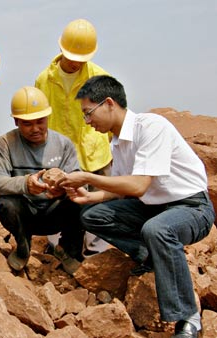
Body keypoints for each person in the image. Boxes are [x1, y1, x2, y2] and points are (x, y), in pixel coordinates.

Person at [60, 75, 214, 338]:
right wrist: (89, 198)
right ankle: (150, 255)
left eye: (88, 113)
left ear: (109, 103)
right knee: (92, 216)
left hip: (191, 208)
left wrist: (87, 177)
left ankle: (187, 318)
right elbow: (119, 190)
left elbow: (139, 186)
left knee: (157, 229)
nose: (88, 122)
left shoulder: (151, 127)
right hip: (154, 210)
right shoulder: (117, 143)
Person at [0, 86, 84, 274]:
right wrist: (25, 184)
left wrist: (63, 188)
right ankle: (23, 245)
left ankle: (68, 250)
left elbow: (81, 182)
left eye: (40, 122)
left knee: (82, 202)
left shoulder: (63, 144)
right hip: (25, 214)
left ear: (48, 118)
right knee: (7, 203)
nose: (35, 129)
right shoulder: (6, 143)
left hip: (55, 212)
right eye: (28, 124)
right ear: (16, 121)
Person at [35, 18, 112, 255]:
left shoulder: (100, 78)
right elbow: (37, 117)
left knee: (98, 207)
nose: (75, 63)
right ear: (61, 49)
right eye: (72, 56)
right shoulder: (44, 80)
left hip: (95, 155)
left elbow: (111, 118)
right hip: (60, 156)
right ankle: (59, 252)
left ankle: (95, 259)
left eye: (82, 59)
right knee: (60, 205)